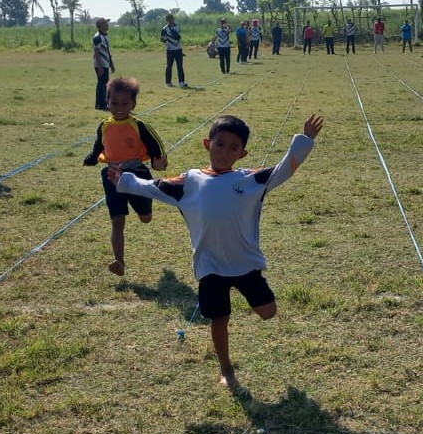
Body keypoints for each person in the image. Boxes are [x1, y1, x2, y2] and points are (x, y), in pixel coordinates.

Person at [109, 113, 324, 387]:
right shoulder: (190, 181)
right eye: (219, 144)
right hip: (210, 267)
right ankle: (226, 368)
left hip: (245, 264)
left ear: (242, 153)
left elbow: (284, 169)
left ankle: (241, 337)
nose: (224, 152)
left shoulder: (251, 180)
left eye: (233, 148)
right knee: (219, 319)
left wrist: (304, 140)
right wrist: (125, 181)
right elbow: (154, 186)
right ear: (207, 144)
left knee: (268, 312)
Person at [84, 76, 167, 276]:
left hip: (137, 174)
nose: (119, 107)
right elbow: (99, 145)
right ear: (107, 102)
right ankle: (119, 262)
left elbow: (156, 144)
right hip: (112, 175)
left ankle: (144, 211)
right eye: (114, 103)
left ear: (133, 104)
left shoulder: (139, 125)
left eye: (124, 103)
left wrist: (158, 160)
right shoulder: (104, 125)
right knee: (117, 220)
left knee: (145, 217)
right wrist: (92, 158)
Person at [93, 18, 115, 110]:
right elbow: (97, 53)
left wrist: (111, 63)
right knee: (101, 84)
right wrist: (100, 67)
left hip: (105, 63)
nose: (107, 25)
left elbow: (107, 50)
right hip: (100, 64)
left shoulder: (105, 36)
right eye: (106, 24)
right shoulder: (97, 37)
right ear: (101, 26)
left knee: (104, 84)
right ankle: (100, 104)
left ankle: (103, 103)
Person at [160, 14, 188, 88]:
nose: (171, 21)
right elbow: (162, 39)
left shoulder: (177, 26)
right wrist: (168, 41)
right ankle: (168, 82)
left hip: (178, 49)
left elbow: (178, 36)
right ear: (167, 20)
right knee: (169, 66)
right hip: (170, 50)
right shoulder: (164, 29)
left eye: (172, 19)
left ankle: (181, 82)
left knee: (180, 66)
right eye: (169, 19)